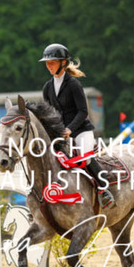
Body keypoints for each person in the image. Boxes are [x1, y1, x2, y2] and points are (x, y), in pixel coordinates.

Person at [39, 43, 115, 209]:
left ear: (63, 63)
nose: (49, 66)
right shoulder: (47, 87)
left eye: (52, 62)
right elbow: (49, 113)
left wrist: (70, 129)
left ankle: (104, 189)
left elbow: (82, 112)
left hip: (80, 130)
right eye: (47, 63)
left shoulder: (73, 84)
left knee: (85, 158)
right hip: (59, 133)